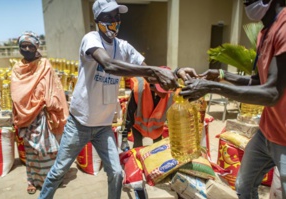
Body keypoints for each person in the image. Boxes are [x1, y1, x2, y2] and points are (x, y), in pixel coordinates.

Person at [38, 0, 191, 198]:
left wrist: (176, 72)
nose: (114, 21)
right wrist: (153, 70)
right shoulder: (91, 39)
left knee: (117, 172)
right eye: (108, 17)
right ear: (97, 20)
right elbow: (109, 65)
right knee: (58, 171)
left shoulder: (123, 46)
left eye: (117, 17)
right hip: (79, 124)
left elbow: (150, 74)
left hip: (103, 126)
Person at [178, 0, 286, 198]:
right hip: (267, 133)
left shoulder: (284, 29)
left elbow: (272, 93)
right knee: (244, 186)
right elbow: (257, 81)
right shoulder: (265, 32)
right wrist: (221, 75)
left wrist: (212, 87)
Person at [10, 31, 69, 194]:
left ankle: (52, 180)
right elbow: (16, 92)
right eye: (23, 46)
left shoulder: (44, 65)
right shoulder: (17, 68)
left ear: (37, 46)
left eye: (30, 45)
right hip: (27, 117)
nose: (27, 48)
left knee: (48, 150)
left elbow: (53, 88)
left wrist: (48, 102)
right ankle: (32, 180)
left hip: (44, 114)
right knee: (31, 151)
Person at [120, 75, 174, 151]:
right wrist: (124, 139)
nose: (164, 95)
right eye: (161, 91)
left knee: (158, 150)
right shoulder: (139, 90)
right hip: (138, 126)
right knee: (138, 148)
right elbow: (129, 114)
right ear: (152, 87)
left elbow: (174, 119)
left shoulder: (170, 94)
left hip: (156, 128)